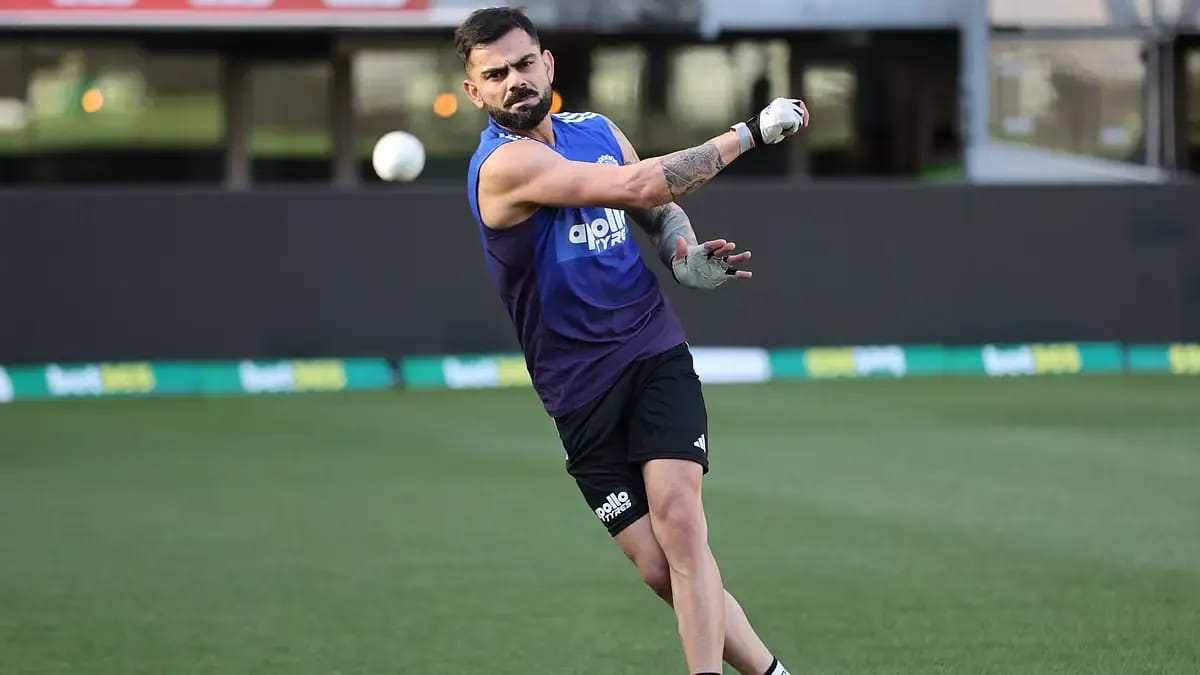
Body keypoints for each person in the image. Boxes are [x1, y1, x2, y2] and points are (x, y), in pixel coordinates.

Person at [455, 7, 808, 675]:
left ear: (547, 64)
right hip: (578, 391)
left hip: (651, 351)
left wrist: (681, 253)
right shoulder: (503, 166)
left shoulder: (596, 130)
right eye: (496, 75)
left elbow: (656, 207)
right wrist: (750, 133)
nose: (515, 81)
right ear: (475, 92)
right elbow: (639, 183)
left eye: (524, 64)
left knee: (681, 521)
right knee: (659, 568)